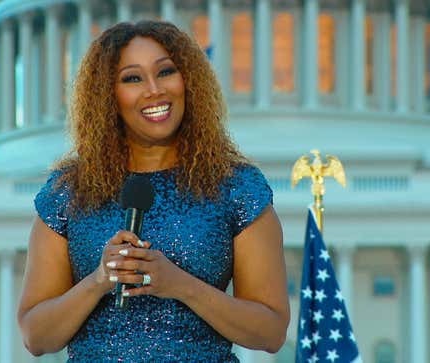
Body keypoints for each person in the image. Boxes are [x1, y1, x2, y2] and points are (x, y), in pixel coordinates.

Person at [17, 20, 289, 362]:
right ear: (107, 95)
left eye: (166, 72)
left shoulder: (235, 187)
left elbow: (271, 331)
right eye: (133, 78)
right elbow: (36, 336)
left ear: (188, 80)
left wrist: (181, 286)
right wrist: (100, 279)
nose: (154, 90)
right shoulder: (69, 193)